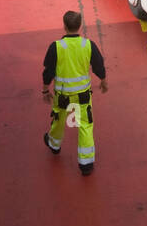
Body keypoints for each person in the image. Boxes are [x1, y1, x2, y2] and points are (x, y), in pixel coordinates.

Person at [42, 10, 108, 176]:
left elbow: (48, 71)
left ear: (64, 26)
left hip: (62, 95)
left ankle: (54, 145)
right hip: (83, 95)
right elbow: (99, 65)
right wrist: (103, 81)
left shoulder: (56, 47)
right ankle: (86, 164)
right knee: (85, 125)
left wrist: (45, 90)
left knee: (58, 119)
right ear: (79, 26)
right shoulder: (88, 45)